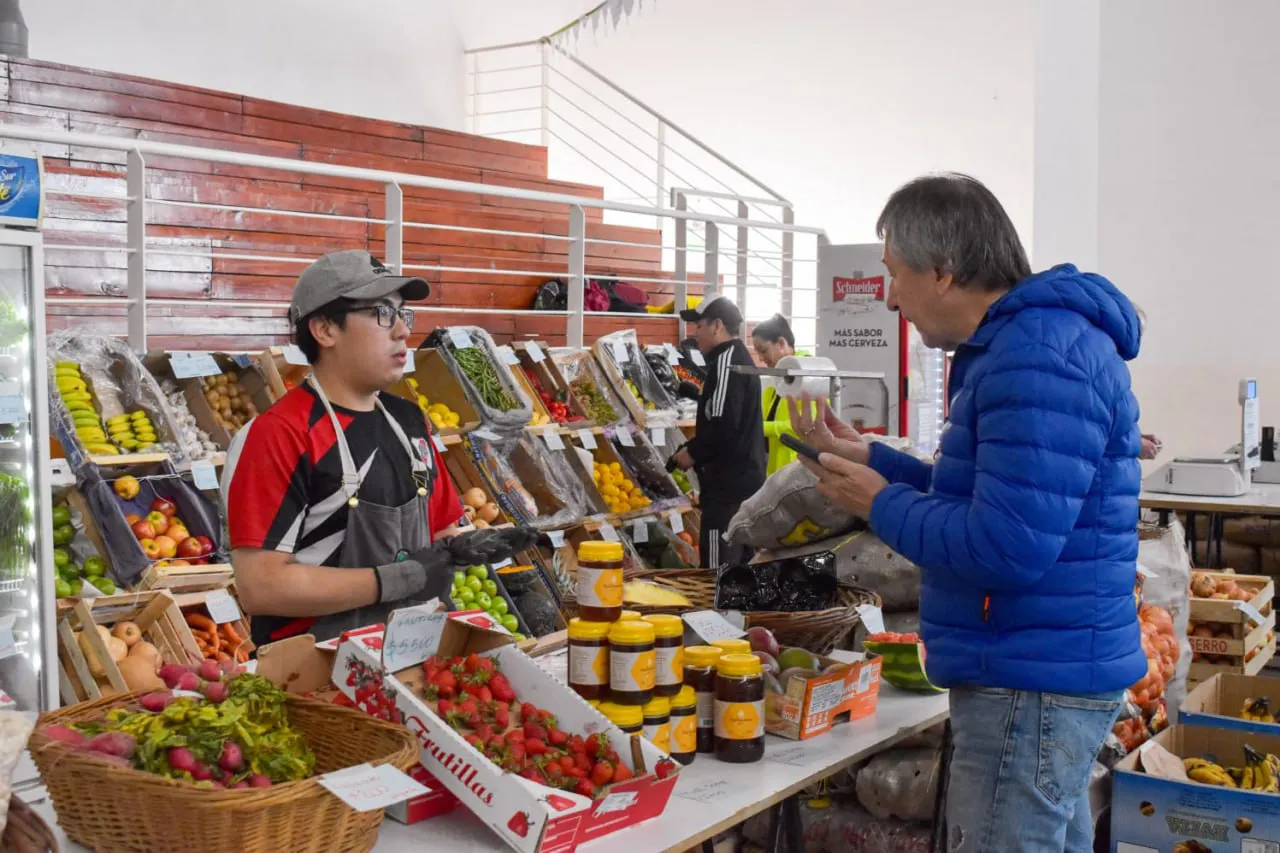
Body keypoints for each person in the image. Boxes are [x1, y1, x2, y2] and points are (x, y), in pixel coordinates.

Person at [792, 174, 1145, 853]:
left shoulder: (1035, 358)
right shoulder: (1028, 348)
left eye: (895, 274)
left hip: (1028, 681)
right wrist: (872, 457)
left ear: (944, 270)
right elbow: (993, 495)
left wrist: (881, 503)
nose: (890, 297)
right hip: (1040, 671)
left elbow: (1006, 545)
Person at [222, 250, 535, 645]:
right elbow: (261, 587)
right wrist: (399, 579)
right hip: (318, 672)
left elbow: (439, 530)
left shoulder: (408, 421)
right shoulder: (281, 434)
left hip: (414, 654)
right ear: (324, 330)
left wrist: (460, 548)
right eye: (381, 314)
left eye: (403, 314)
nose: (402, 331)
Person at [670, 294, 767, 567]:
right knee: (742, 569)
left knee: (717, 572)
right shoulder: (736, 358)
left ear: (717, 326)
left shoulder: (727, 362)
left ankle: (717, 612)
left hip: (727, 491)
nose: (694, 333)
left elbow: (724, 425)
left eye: (698, 325)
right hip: (743, 485)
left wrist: (692, 452)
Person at [751, 313, 814, 475]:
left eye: (763, 351)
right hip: (779, 471)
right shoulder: (780, 378)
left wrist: (759, 427)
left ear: (781, 343)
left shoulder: (808, 374)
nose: (761, 359)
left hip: (797, 470)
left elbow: (805, 427)